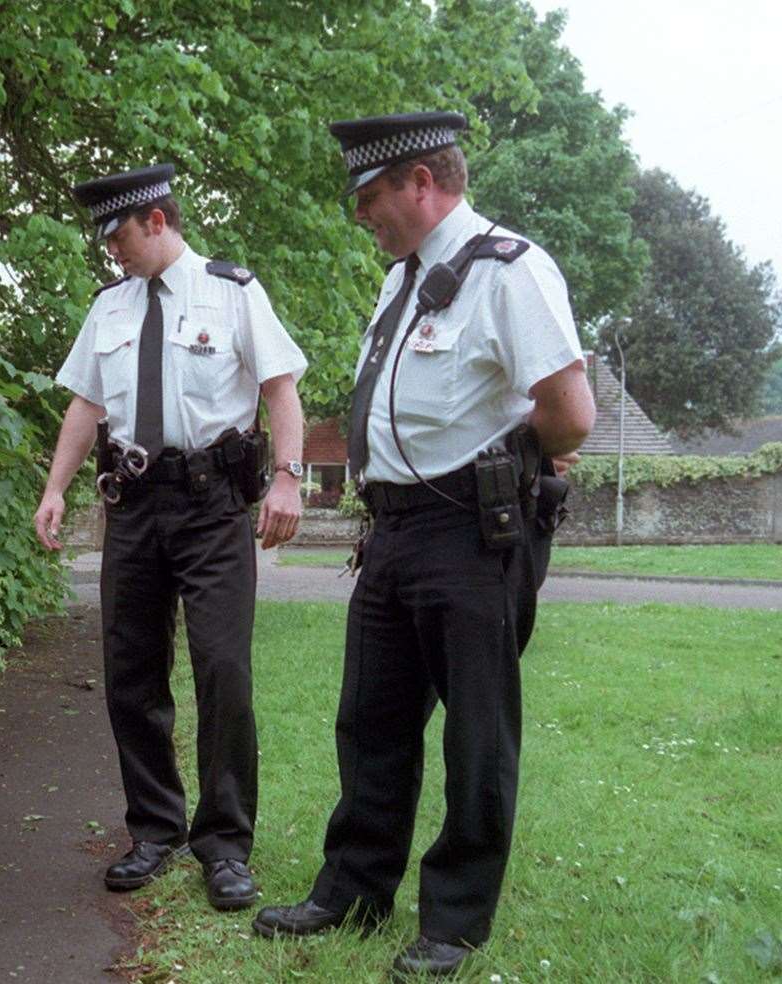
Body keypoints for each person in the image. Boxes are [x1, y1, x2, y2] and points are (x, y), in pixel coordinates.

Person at [252, 113, 595, 977]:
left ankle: (453, 920)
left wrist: (517, 464)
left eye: (369, 197)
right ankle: (352, 888)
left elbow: (569, 411)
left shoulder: (509, 271)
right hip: (394, 529)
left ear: (421, 182)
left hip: (472, 530)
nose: (360, 214)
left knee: (476, 732)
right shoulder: (403, 279)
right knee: (370, 721)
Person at [33, 163, 308, 911]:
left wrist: (287, 477)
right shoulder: (110, 308)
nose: (111, 251)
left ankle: (223, 846)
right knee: (130, 671)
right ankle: (153, 829)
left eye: (118, 235)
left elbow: (280, 386)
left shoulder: (232, 291)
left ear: (157, 221)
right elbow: (87, 404)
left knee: (223, 670)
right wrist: (55, 488)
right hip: (133, 505)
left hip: (211, 503)